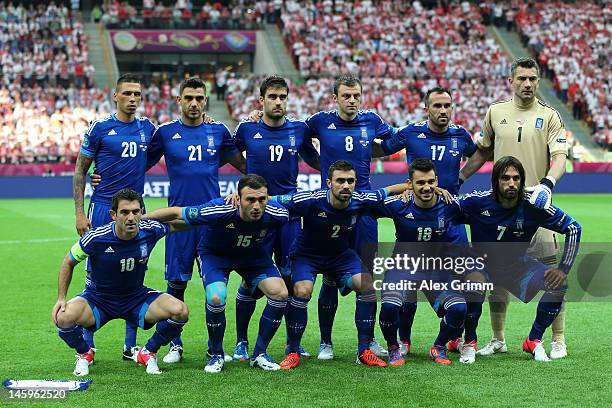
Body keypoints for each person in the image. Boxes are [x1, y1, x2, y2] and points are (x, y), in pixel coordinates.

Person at [251, 74, 396, 359]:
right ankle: (326, 342)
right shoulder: (318, 122)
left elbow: (393, 141)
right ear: (335, 98)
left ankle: (366, 341)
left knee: (367, 277)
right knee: (329, 276)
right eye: (346, 95)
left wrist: (371, 151)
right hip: (327, 209)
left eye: (356, 95)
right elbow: (293, 134)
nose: (352, 100)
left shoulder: (372, 121)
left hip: (363, 207)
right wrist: (259, 118)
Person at [460, 57, 569, 358]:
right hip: (503, 212)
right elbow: (483, 151)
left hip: (538, 211)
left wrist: (547, 184)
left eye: (533, 79)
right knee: (496, 277)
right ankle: (499, 338)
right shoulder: (496, 112)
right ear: (511, 81)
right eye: (522, 78)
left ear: (538, 81)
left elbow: (560, 157)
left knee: (552, 273)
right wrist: (461, 177)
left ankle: (558, 338)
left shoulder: (550, 116)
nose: (527, 84)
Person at [144, 175, 290, 373]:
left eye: (261, 199)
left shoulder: (278, 213)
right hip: (216, 256)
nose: (256, 205)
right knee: (216, 296)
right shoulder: (220, 208)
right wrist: (141, 219)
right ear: (238, 199)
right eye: (250, 200)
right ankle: (216, 354)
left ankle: (259, 354)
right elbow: (178, 212)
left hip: (254, 257)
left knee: (280, 293)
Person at [145, 77, 245, 364]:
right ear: (179, 100)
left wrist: (241, 192)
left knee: (215, 284)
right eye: (188, 97)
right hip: (178, 222)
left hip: (211, 220)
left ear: (205, 101)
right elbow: (139, 165)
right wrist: (101, 173)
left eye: (199, 98)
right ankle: (175, 344)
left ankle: (216, 347)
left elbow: (244, 164)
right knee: (176, 284)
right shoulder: (165, 133)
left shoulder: (218, 131)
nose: (194, 103)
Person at [372, 86, 477, 355]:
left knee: (466, 280)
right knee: (408, 282)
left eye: (447, 106)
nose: (443, 111)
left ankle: (462, 338)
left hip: (450, 217)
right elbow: (381, 149)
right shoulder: (410, 133)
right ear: (426, 109)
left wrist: (460, 179)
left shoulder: (460, 135)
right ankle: (403, 339)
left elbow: (480, 153)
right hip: (416, 211)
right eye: (438, 106)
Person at [275, 160, 409, 369]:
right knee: (302, 291)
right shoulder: (310, 199)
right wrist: (240, 199)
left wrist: (415, 189)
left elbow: (390, 189)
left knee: (367, 285)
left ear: (356, 183)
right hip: (307, 256)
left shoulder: (362, 199)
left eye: (350, 181)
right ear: (329, 182)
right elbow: (273, 200)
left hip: (340, 257)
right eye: (340, 181)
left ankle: (364, 350)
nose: (346, 185)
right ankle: (293, 350)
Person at [52, 189, 189, 376]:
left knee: (180, 311)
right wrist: (61, 298)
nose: (131, 217)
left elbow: (180, 223)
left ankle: (148, 352)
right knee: (63, 317)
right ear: (113, 215)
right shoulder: (96, 238)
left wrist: (210, 216)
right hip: (98, 300)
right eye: (125, 212)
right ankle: (84, 353)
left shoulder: (151, 230)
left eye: (136, 211)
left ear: (142, 211)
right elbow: (68, 261)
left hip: (136, 298)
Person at [456, 156, 581, 362]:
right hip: (481, 265)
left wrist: (563, 269)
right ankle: (469, 341)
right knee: (474, 282)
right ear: (496, 180)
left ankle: (533, 339)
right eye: (505, 178)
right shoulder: (476, 201)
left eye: (516, 178)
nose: (511, 183)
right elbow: (444, 208)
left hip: (516, 266)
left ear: (522, 181)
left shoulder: (534, 205)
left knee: (559, 284)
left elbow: (573, 228)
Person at [232, 75, 320, 361]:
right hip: (256, 218)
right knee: (250, 280)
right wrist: (244, 187)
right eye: (273, 97)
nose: (278, 102)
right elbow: (224, 153)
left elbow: (317, 159)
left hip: (289, 218)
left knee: (292, 279)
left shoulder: (299, 130)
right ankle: (241, 342)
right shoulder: (246, 128)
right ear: (262, 100)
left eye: (282, 97)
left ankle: (292, 344)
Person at [72, 74, 157, 360]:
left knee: (134, 272)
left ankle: (130, 346)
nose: (133, 99)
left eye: (138, 94)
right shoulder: (99, 128)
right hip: (100, 211)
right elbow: (81, 170)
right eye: (128, 94)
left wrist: (205, 119)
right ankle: (88, 345)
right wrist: (79, 213)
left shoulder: (147, 128)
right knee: (93, 274)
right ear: (116, 96)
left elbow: (168, 142)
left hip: (133, 211)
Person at [372, 159, 470, 365]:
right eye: (419, 183)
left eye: (430, 182)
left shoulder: (450, 205)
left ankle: (439, 346)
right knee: (389, 306)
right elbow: (366, 202)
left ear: (437, 181)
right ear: (410, 184)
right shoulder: (399, 204)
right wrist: (395, 189)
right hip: (402, 267)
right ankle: (393, 347)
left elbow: (484, 210)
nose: (426, 187)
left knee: (459, 308)